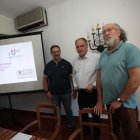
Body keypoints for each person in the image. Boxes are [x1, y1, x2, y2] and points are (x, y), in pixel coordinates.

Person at [94, 23, 140, 140]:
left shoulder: (129, 49)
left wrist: (120, 100)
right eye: (104, 32)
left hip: (126, 104)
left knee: (131, 136)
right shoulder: (103, 54)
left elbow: (136, 79)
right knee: (114, 134)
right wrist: (100, 100)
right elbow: (99, 78)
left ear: (119, 32)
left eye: (109, 30)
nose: (106, 33)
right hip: (110, 104)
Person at [73, 38, 100, 139]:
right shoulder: (75, 60)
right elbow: (74, 75)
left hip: (93, 92)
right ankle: (86, 132)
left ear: (87, 45)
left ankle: (97, 134)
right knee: (83, 113)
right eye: (77, 46)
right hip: (81, 92)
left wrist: (93, 84)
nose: (79, 48)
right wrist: (75, 85)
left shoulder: (96, 57)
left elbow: (100, 74)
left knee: (95, 114)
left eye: (82, 46)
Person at [43, 45, 74, 131]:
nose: (56, 53)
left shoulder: (67, 64)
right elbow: (45, 79)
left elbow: (72, 78)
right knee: (56, 112)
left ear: (60, 51)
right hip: (54, 94)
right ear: (51, 53)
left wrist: (74, 90)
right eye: (54, 52)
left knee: (68, 110)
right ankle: (58, 126)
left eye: (58, 51)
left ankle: (71, 126)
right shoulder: (48, 66)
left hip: (66, 93)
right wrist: (46, 91)